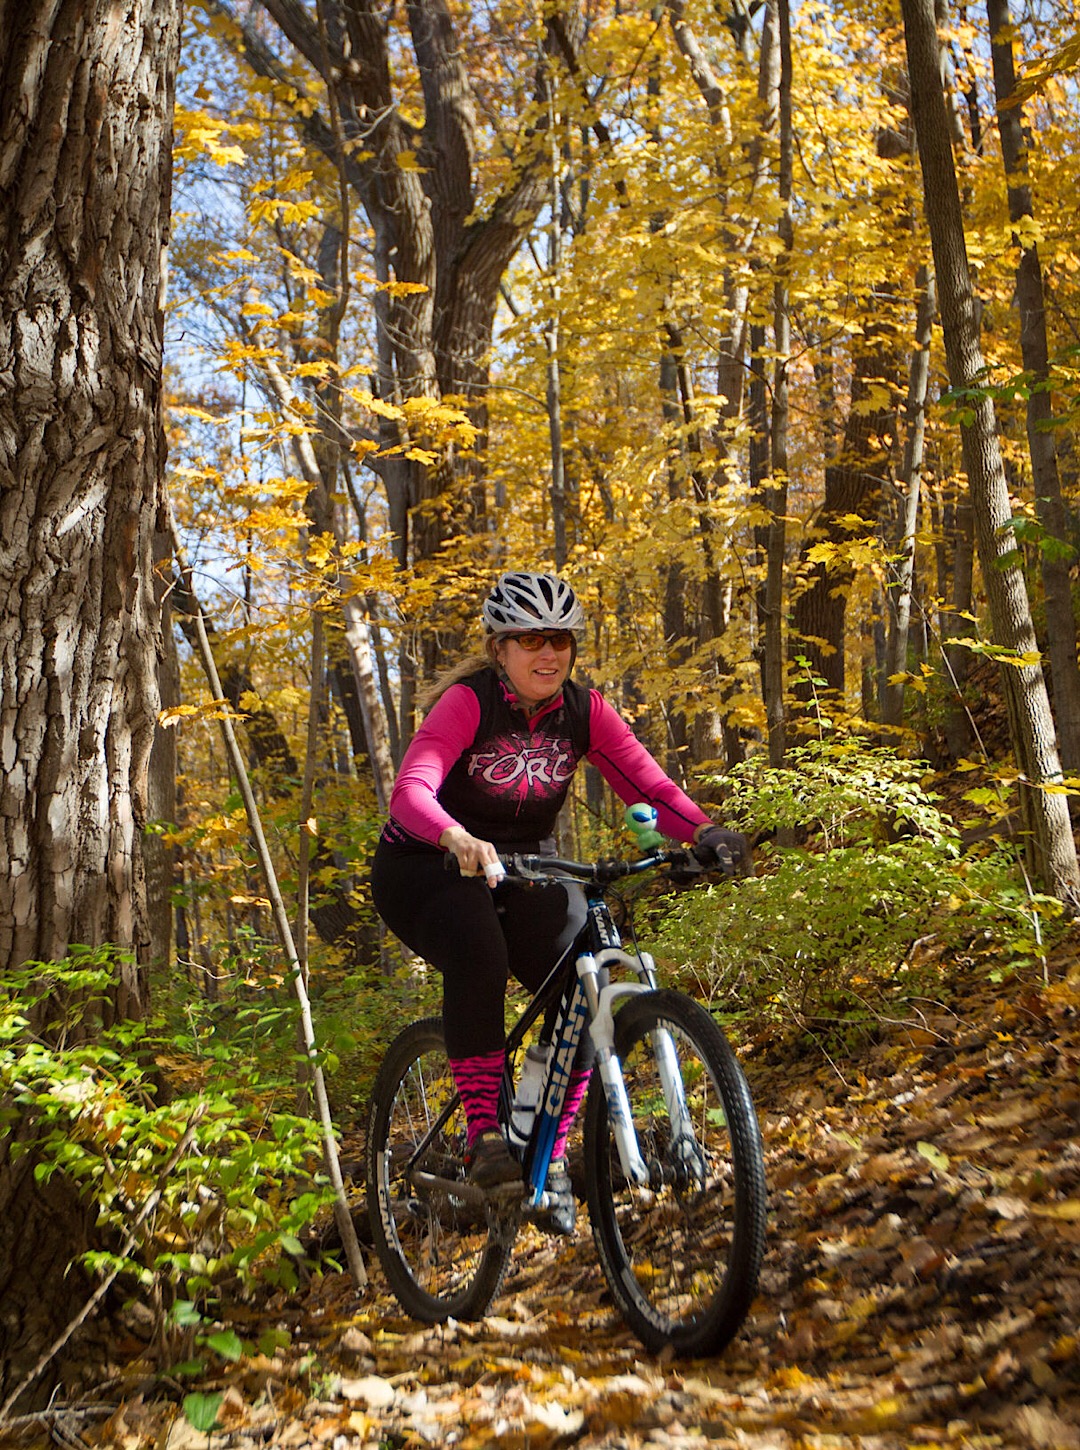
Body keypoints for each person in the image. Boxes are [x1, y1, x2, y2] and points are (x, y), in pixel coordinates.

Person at [370, 571, 748, 1234]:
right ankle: (484, 1134)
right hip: (425, 863)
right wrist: (455, 835)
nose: (549, 654)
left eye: (561, 641)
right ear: (500, 649)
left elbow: (650, 787)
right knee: (478, 948)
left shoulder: (583, 711)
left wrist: (706, 831)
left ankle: (541, 1148)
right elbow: (411, 790)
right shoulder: (468, 703)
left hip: (525, 865)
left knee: (589, 971)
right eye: (531, 640)